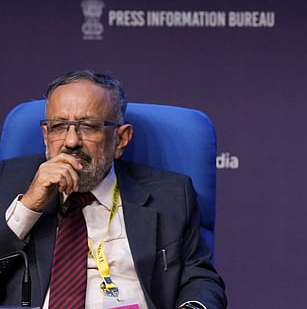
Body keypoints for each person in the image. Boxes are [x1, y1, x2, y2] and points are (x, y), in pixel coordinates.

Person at [0, 70, 226, 308]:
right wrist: (27, 208)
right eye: (59, 126)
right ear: (45, 135)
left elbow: (199, 278)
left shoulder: (171, 194)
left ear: (121, 139)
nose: (71, 141)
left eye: (87, 126)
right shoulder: (7, 180)